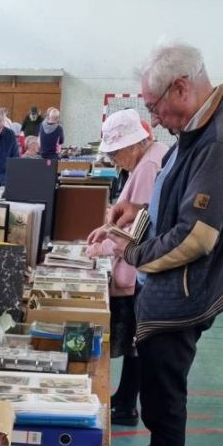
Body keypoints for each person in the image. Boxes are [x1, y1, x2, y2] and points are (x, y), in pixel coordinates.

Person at [103, 42, 223, 446]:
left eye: (155, 106)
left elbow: (197, 236)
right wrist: (136, 214)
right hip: (176, 288)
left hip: (182, 295)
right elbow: (175, 198)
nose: (155, 118)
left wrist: (132, 252)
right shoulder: (202, 125)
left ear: (182, 88)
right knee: (157, 397)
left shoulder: (219, 137)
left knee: (165, 402)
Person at [86, 110, 167, 426]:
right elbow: (132, 216)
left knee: (135, 340)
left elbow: (137, 231)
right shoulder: (152, 155)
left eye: (116, 153)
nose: (115, 161)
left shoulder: (147, 166)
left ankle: (127, 404)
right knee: (136, 340)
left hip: (137, 268)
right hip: (139, 267)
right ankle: (124, 399)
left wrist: (101, 248)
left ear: (134, 144)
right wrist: (107, 230)